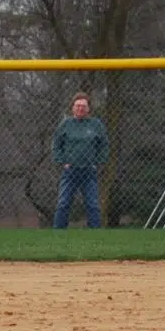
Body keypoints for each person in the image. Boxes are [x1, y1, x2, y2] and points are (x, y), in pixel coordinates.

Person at [51, 92, 108, 229]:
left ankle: (95, 233)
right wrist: (62, 161)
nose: (80, 108)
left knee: (92, 204)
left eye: (83, 106)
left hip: (89, 171)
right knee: (63, 202)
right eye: (77, 106)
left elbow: (104, 145)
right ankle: (59, 232)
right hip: (70, 171)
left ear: (88, 109)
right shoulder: (65, 124)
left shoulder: (96, 124)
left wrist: (97, 162)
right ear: (72, 108)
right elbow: (56, 145)